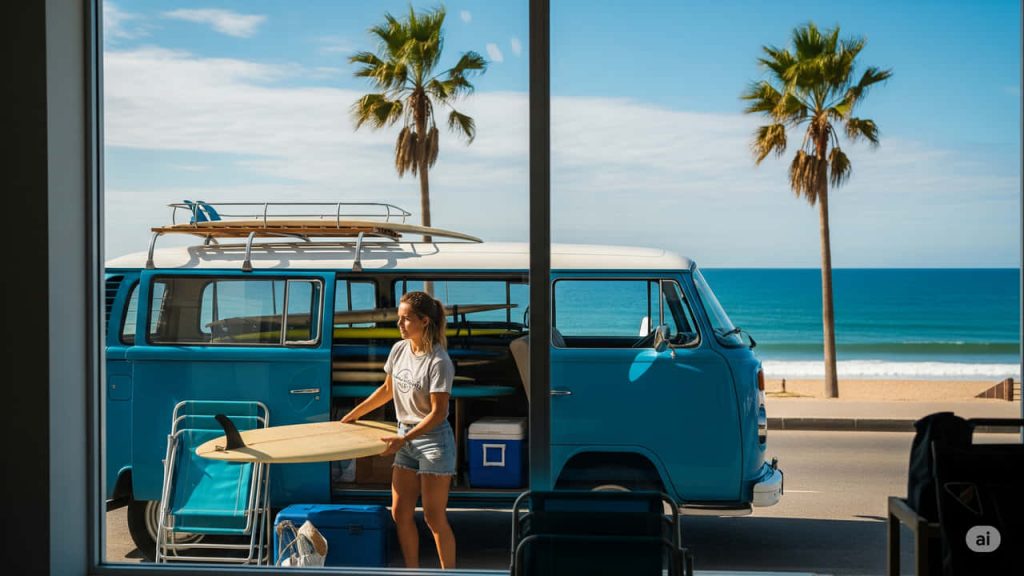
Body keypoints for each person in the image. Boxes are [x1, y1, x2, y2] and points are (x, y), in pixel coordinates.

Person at [340, 291, 456, 569]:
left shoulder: (439, 362)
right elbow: (387, 390)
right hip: (404, 436)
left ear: (424, 321)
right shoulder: (399, 349)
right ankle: (412, 571)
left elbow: (438, 413)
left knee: (433, 518)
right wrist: (351, 417)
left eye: (406, 319)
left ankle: (450, 574)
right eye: (399, 318)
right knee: (400, 514)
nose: (400, 324)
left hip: (432, 441)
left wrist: (404, 438)